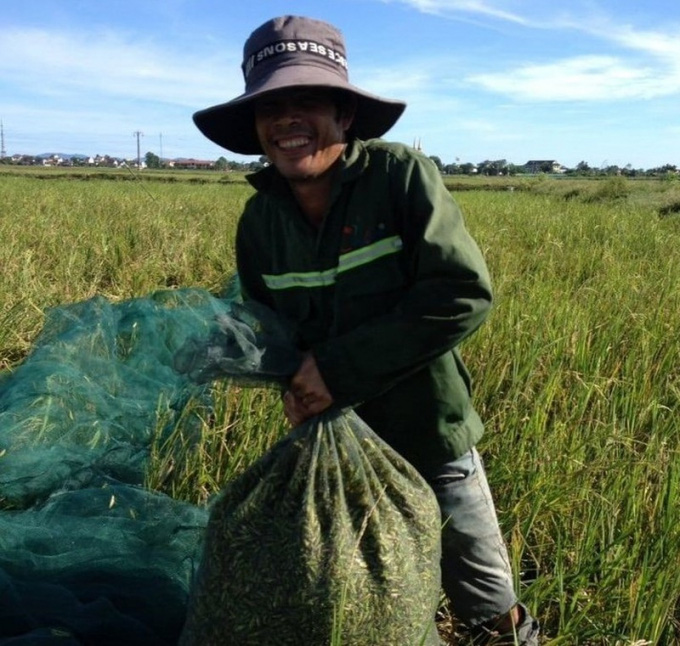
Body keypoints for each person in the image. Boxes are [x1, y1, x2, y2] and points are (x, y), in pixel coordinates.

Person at [193, 15, 540, 645]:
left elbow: (461, 293)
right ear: (255, 126)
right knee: (347, 600)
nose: (288, 119)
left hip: (431, 435)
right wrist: (237, 355)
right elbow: (269, 328)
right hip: (330, 450)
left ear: (345, 115)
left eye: (308, 101)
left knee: (487, 606)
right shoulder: (259, 221)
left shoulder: (400, 178)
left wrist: (337, 369)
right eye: (271, 106)